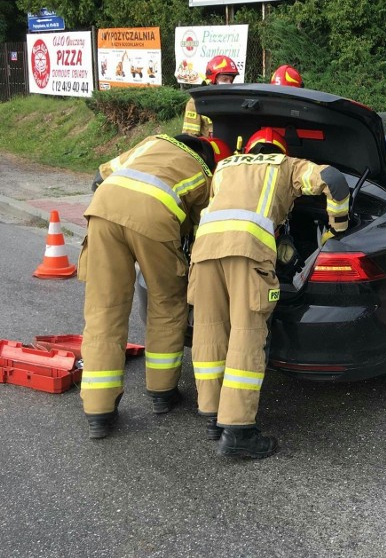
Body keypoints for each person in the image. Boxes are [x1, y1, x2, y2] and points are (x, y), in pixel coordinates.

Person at [189, 127, 350, 459]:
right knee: (247, 335)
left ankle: (213, 416)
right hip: (248, 251)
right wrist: (338, 226)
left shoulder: (226, 167)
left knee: (209, 330)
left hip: (204, 251)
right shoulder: (286, 165)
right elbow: (333, 180)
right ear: (280, 148)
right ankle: (238, 433)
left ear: (248, 148)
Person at [79, 134, 232, 439]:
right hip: (154, 221)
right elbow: (205, 232)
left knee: (104, 309)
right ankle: (162, 393)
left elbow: (100, 174)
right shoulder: (204, 176)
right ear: (213, 160)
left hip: (103, 209)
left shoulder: (150, 142)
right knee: (167, 301)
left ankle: (99, 410)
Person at [181, 55, 240, 137]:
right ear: (213, 79)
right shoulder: (196, 102)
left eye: (231, 80)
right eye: (225, 79)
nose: (229, 83)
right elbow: (190, 138)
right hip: (210, 148)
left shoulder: (234, 100)